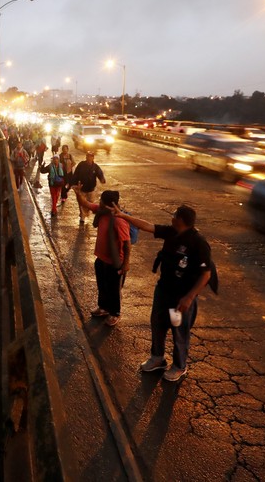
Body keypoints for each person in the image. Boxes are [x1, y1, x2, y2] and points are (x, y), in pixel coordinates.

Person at [111, 204, 212, 382]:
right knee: (158, 324)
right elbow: (148, 226)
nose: (171, 217)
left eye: (174, 215)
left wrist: (189, 297)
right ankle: (157, 358)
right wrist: (123, 216)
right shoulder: (171, 231)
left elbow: (206, 273)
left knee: (178, 330)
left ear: (180, 220)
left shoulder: (198, 242)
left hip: (179, 298)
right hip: (164, 291)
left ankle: (179, 366)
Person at [73, 188, 131, 326]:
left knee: (113, 289)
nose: (98, 201)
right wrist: (78, 193)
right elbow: (85, 203)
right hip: (101, 258)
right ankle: (103, 308)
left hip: (114, 262)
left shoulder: (119, 220)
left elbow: (127, 243)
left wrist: (126, 263)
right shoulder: (101, 211)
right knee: (102, 285)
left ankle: (115, 313)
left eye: (101, 200)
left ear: (105, 203)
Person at [72, 151, 105, 225]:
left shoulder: (95, 167)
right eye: (87, 156)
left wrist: (102, 179)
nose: (89, 158)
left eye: (90, 157)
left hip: (91, 189)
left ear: (93, 158)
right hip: (82, 188)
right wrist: (74, 183)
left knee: (90, 202)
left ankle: (85, 213)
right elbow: (76, 174)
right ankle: (82, 217)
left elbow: (100, 173)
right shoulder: (81, 165)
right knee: (82, 203)